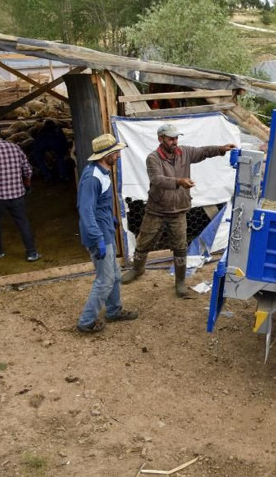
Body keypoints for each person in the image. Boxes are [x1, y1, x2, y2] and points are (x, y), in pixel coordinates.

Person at [121, 123, 236, 297]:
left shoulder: (184, 152)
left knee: (180, 247)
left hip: (179, 211)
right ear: (160, 139)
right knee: (144, 242)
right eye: (170, 139)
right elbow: (157, 179)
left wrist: (221, 149)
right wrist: (178, 182)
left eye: (176, 138)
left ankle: (180, 282)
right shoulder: (153, 158)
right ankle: (137, 269)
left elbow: (203, 151)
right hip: (156, 210)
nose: (174, 142)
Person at [76, 133, 138, 333]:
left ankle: (113, 311)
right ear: (106, 155)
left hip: (105, 231)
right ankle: (86, 322)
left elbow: (99, 205)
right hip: (99, 235)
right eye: (115, 152)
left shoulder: (103, 172)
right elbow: (85, 210)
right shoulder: (92, 177)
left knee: (115, 276)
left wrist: (109, 217)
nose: (118, 155)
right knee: (105, 280)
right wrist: (97, 238)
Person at [0, 122, 41, 261]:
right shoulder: (15, 147)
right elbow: (28, 169)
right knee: (23, 222)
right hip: (17, 194)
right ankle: (32, 253)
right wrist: (27, 184)